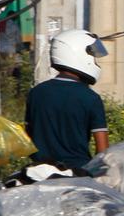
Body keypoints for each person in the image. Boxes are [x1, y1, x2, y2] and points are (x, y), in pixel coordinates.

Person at [24, 29, 110, 170]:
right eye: (92, 55)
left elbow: (28, 138)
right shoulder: (91, 98)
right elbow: (102, 151)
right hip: (77, 174)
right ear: (79, 54)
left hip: (38, 172)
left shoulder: (36, 93)